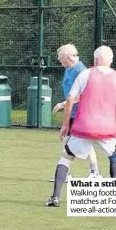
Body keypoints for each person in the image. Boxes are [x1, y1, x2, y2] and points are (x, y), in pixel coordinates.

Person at [46, 45, 116, 207]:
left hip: (83, 126)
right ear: (111, 60)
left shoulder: (85, 74)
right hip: (107, 128)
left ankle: (55, 198)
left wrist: (65, 124)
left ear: (95, 60)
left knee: (66, 157)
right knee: (115, 156)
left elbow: (70, 100)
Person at [49, 44, 101, 182]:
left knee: (72, 140)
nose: (59, 61)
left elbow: (83, 93)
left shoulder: (81, 70)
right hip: (72, 112)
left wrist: (63, 104)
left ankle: (72, 173)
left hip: (82, 112)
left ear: (68, 57)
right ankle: (90, 171)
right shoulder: (69, 69)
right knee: (72, 140)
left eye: (60, 58)